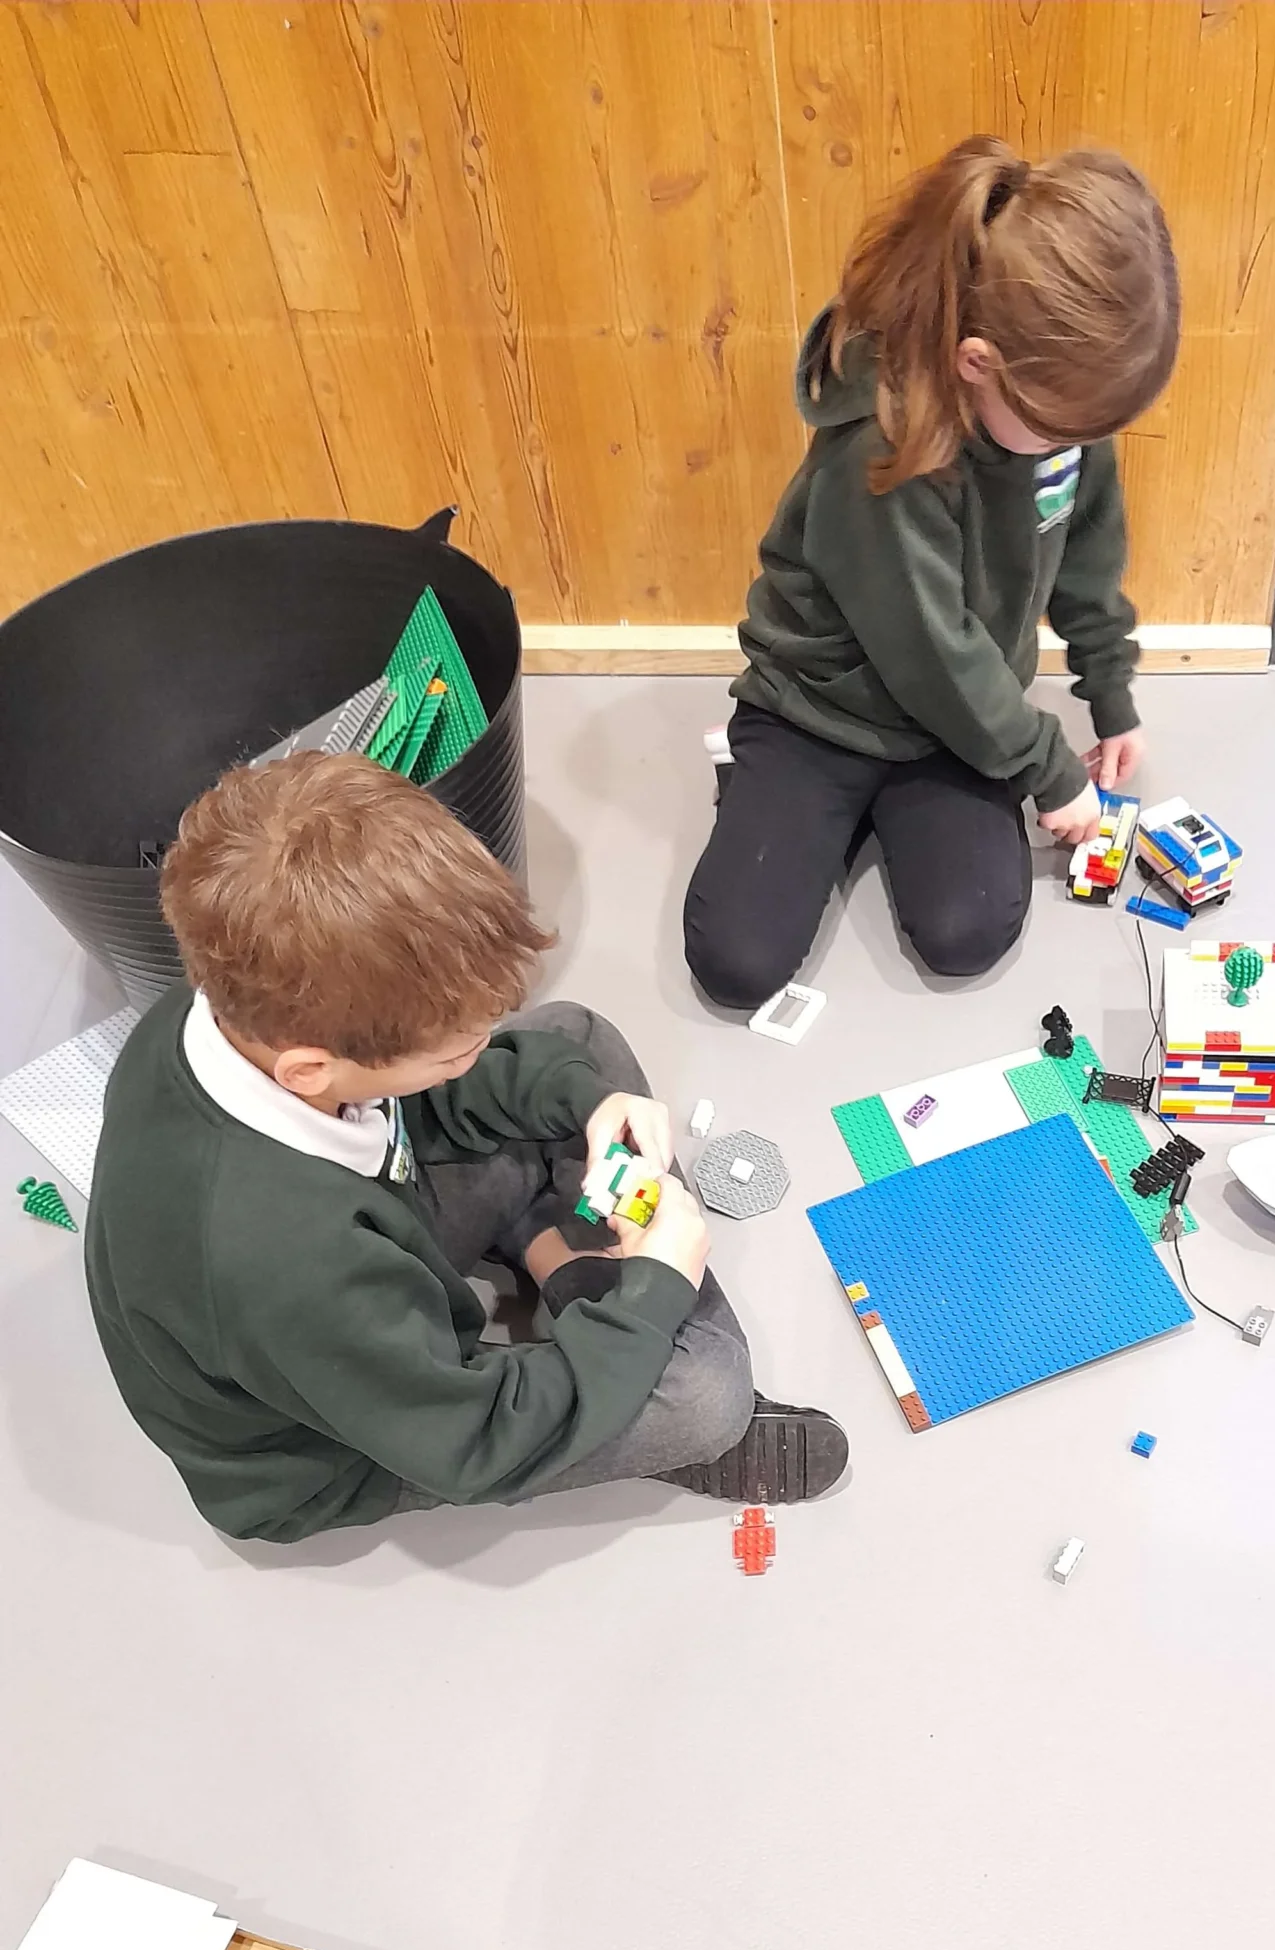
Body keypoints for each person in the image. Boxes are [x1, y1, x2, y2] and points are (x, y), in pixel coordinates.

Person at [84, 754, 847, 1544]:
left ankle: (564, 1269)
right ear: (311, 1067)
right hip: (343, 1447)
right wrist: (655, 1292)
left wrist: (585, 1104)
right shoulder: (284, 1263)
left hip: (367, 1234)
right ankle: (608, 1319)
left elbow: (427, 1098)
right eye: (451, 1050)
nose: (473, 1050)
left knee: (577, 1045)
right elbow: (475, 1441)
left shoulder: (231, 1000)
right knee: (706, 1400)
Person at [684, 134, 1180, 1010]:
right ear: (978, 364)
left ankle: (871, 817)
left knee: (967, 934)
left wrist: (1112, 694)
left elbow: (1089, 563)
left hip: (952, 725)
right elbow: (934, 654)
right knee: (735, 964)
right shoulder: (883, 451)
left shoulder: (1058, 417)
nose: (1077, 449)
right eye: (1062, 431)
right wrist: (1052, 775)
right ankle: (790, 798)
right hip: (821, 711)